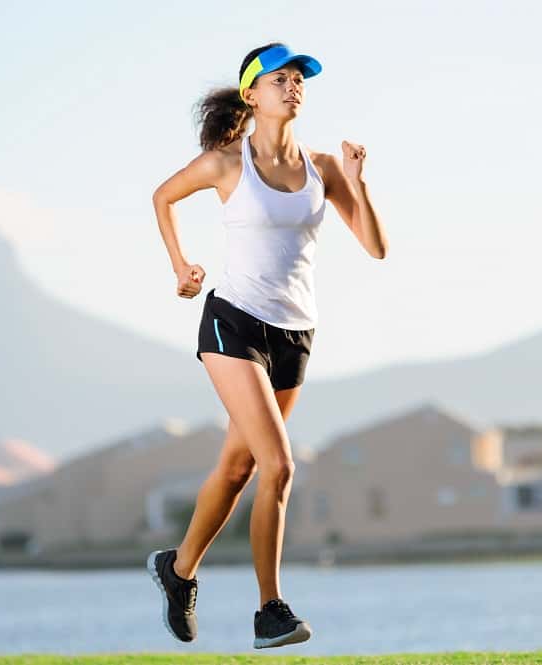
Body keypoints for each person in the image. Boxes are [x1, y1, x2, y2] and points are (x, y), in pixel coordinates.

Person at [147, 41, 388, 649]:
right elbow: (163, 197)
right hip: (234, 322)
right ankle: (270, 611)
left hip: (295, 335)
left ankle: (178, 572)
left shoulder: (325, 167)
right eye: (280, 79)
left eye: (299, 79)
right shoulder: (226, 164)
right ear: (252, 94)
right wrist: (180, 267)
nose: (294, 86)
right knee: (278, 465)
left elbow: (376, 246)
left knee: (238, 467)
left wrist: (358, 185)